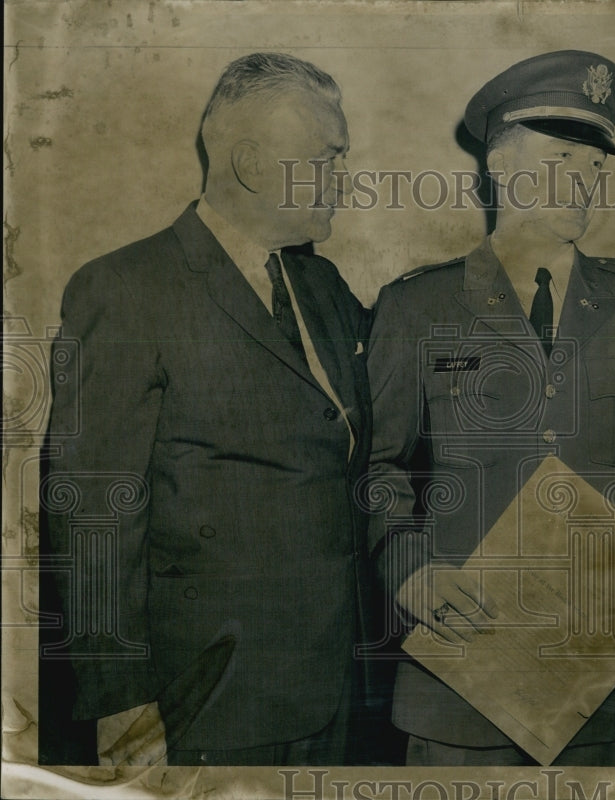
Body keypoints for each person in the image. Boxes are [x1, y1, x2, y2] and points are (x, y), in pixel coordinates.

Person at [364, 50, 615, 767]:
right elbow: (375, 467)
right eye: (563, 159)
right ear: (500, 167)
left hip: (596, 667)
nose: (585, 183)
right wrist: (409, 569)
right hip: (462, 665)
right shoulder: (418, 306)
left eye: (595, 167)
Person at [38, 52, 370, 767]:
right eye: (328, 158)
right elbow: (93, 510)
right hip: (204, 696)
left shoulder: (324, 288)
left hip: (330, 681)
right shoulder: (126, 288)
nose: (346, 179)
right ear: (252, 164)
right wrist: (119, 701)